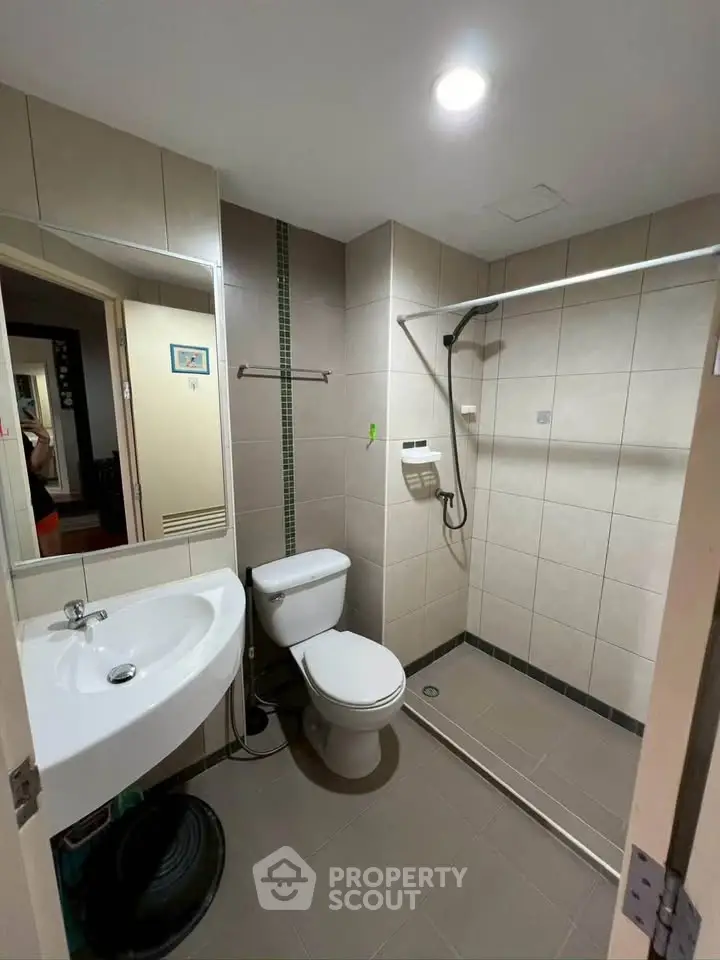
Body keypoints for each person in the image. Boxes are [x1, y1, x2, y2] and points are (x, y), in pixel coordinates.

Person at [21, 416, 61, 557]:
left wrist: (44, 439)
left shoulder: (13, 433)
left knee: (53, 562)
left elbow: (33, 466)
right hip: (11, 513)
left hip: (39, 504)